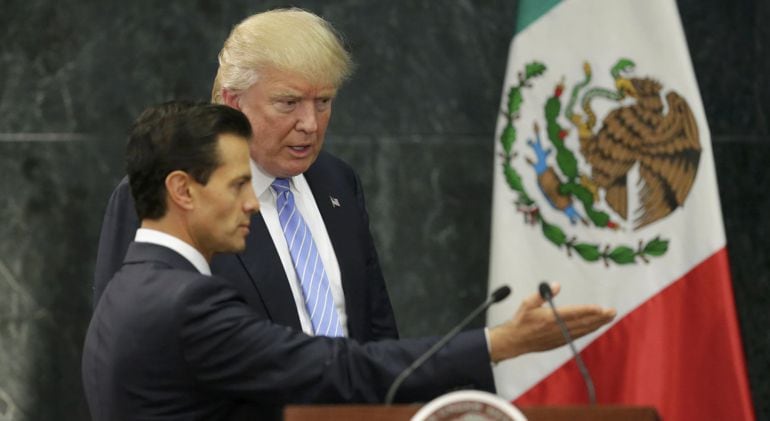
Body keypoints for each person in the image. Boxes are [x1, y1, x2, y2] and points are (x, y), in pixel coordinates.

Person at [82, 101, 616, 421]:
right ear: (183, 191)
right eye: (239, 184)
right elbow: (335, 369)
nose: (251, 202)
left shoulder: (128, 290)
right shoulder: (188, 303)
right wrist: (502, 342)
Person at [93, 8, 396, 342]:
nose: (310, 123)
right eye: (289, 102)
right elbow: (123, 340)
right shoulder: (175, 194)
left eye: (323, 101)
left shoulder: (337, 180)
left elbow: (376, 323)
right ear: (233, 103)